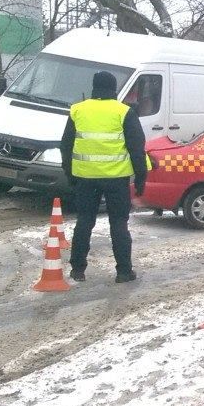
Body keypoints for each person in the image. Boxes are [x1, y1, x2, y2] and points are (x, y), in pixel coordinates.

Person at [59, 71, 148, 283]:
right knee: (118, 223)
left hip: (85, 178)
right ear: (114, 89)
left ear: (93, 87)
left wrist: (70, 173)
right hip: (116, 178)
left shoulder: (77, 110)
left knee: (84, 221)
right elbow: (137, 148)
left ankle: (78, 269)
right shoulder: (123, 112)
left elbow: (65, 146)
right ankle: (124, 271)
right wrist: (141, 179)